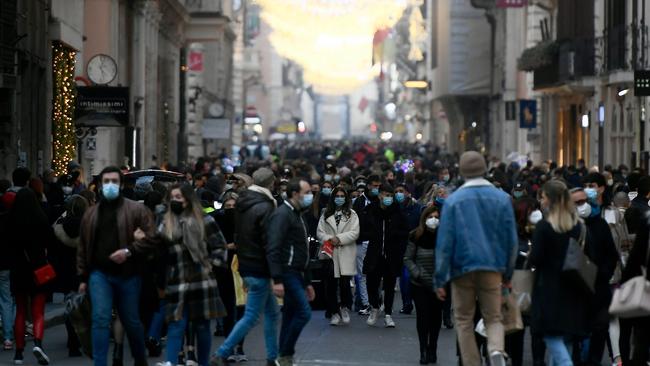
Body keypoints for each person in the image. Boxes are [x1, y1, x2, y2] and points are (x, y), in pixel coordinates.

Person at [434, 151, 517, 366]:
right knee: (493, 316)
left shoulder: (453, 201)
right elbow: (511, 240)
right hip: (492, 266)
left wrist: (440, 278)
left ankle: (472, 362)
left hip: (462, 267)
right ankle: (496, 350)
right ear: (484, 169)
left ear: (461, 171)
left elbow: (444, 244)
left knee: (463, 320)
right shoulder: (502, 199)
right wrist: (507, 273)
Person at [77, 166, 159, 366]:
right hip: (99, 274)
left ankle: (140, 359)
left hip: (128, 274)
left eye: (114, 181)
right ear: (100, 185)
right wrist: (82, 278)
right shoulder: (91, 214)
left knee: (131, 321)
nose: (110, 185)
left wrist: (129, 251)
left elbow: (153, 238)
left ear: (121, 185)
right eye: (106, 182)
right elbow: (83, 247)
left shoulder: (137, 210)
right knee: (100, 318)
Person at [211, 168, 280, 366]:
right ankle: (222, 352)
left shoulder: (243, 203)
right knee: (251, 316)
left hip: (248, 264)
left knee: (271, 313)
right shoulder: (266, 206)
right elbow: (269, 242)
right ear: (271, 183)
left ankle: (272, 357)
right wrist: (277, 274)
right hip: (260, 267)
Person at [156, 184, 226, 366]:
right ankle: (171, 362)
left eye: (178, 197)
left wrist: (211, 265)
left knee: (202, 326)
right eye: (172, 197)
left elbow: (219, 246)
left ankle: (202, 362)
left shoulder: (204, 220)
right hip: (176, 280)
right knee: (176, 324)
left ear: (188, 199)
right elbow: (158, 251)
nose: (175, 201)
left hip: (201, 280)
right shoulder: (165, 223)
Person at [529, 181, 590, 366]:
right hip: (574, 288)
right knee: (565, 339)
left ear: (551, 200)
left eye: (544, 196)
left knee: (551, 336)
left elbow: (536, 258)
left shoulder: (544, 227)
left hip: (549, 288)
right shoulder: (578, 226)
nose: (542, 200)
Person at [267, 178, 316, 366]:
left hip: (298, 272)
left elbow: (303, 249)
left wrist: (308, 282)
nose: (310, 196)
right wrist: (277, 279)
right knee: (304, 313)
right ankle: (286, 353)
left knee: (289, 314)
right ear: (295, 194)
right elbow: (274, 247)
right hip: (288, 272)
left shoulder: (297, 214)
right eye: (307, 192)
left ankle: (282, 356)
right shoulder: (283, 214)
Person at [571, 186, 619, 365]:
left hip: (599, 287)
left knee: (599, 329)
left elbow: (611, 254)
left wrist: (604, 273)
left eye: (584, 201)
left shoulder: (600, 225)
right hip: (575, 290)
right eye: (577, 203)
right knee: (576, 332)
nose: (582, 205)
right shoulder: (568, 226)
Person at [7, 188, 52, 365]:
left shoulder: (11, 221)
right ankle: (38, 343)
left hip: (18, 269)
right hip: (38, 268)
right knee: (38, 311)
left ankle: (18, 353)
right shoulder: (40, 218)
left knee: (20, 311)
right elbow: (50, 242)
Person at [362, 183, 409, 328]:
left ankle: (388, 314)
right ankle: (375, 307)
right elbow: (363, 229)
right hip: (374, 253)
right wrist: (371, 234)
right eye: (386, 195)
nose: (388, 198)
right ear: (380, 195)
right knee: (371, 283)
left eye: (390, 195)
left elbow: (405, 231)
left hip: (391, 254)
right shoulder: (370, 210)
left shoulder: (397, 212)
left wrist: (395, 235)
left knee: (389, 285)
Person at [404, 205, 442, 365]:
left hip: (439, 284)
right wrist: (419, 274)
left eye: (436, 217)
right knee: (423, 318)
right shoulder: (415, 235)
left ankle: (433, 348)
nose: (433, 220)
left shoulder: (444, 237)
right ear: (424, 219)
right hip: (419, 284)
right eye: (430, 217)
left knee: (436, 319)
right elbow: (408, 258)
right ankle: (423, 350)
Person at [316, 187, 360, 326]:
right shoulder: (325, 214)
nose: (339, 198)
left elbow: (355, 232)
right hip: (330, 253)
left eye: (342, 195)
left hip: (346, 252)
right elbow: (319, 232)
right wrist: (330, 239)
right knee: (330, 285)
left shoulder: (352, 214)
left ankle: (345, 307)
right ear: (333, 198)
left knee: (345, 283)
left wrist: (339, 238)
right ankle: (334, 312)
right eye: (337, 195)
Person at [52, 195, 89, 357]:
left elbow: (54, 251)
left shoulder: (60, 227)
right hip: (85, 271)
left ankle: (72, 342)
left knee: (70, 305)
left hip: (66, 271)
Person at [621, 205, 650, 366]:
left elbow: (635, 259)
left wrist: (626, 286)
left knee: (642, 337)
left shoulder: (647, 222)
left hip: (646, 289)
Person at [395, 183, 422, 315]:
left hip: (414, 246)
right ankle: (407, 303)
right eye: (397, 191)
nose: (399, 194)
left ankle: (412, 301)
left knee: (409, 275)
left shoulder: (417, 208)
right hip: (399, 246)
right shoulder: (395, 209)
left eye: (401, 191)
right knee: (404, 277)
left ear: (408, 193)